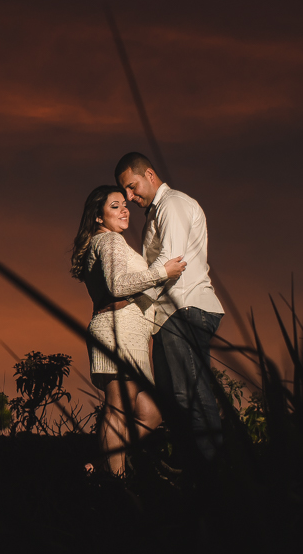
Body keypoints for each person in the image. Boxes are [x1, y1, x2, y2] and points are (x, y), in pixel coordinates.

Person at [115, 152, 225, 467]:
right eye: (125, 192)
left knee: (191, 396)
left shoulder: (172, 204)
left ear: (149, 174)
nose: (130, 197)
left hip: (185, 307)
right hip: (167, 316)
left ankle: (216, 475)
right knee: (174, 402)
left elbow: (171, 260)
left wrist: (130, 295)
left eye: (133, 187)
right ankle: (193, 473)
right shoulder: (157, 212)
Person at [71, 185, 186, 477]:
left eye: (125, 204)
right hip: (117, 330)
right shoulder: (110, 241)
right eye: (114, 206)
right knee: (118, 408)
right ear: (98, 216)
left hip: (125, 332)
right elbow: (118, 286)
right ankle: (116, 482)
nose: (124, 210)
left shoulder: (105, 241)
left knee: (151, 413)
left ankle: (99, 465)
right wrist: (163, 272)